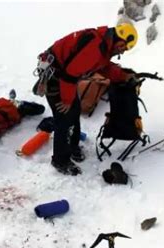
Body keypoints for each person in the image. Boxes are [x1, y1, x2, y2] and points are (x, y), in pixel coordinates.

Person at [32, 23, 138, 176]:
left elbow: (103, 66)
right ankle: (60, 160)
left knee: (74, 111)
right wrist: (66, 100)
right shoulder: (95, 47)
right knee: (64, 117)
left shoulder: (104, 46)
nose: (121, 51)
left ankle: (72, 147)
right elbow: (69, 74)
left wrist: (123, 75)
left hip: (65, 76)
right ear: (120, 40)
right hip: (57, 77)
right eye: (123, 47)